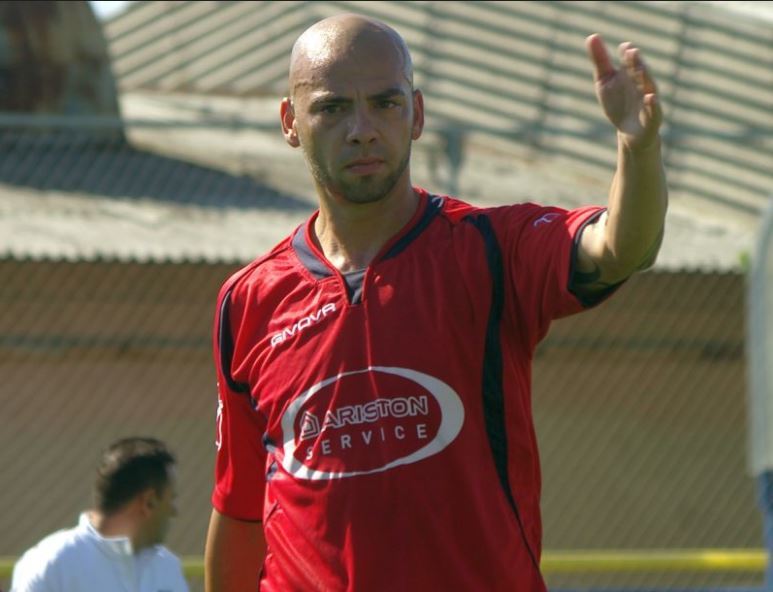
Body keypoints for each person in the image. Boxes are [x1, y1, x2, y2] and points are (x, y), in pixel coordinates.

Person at [204, 13, 667, 592]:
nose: (362, 129)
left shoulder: (491, 249)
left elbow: (620, 248)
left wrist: (638, 148)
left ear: (417, 114)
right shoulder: (249, 301)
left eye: (385, 103)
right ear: (290, 122)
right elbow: (241, 510)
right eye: (332, 108)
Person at [11, 437, 189, 592]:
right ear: (149, 502)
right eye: (171, 499)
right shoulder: (52, 564)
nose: (174, 511)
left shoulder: (168, 568)